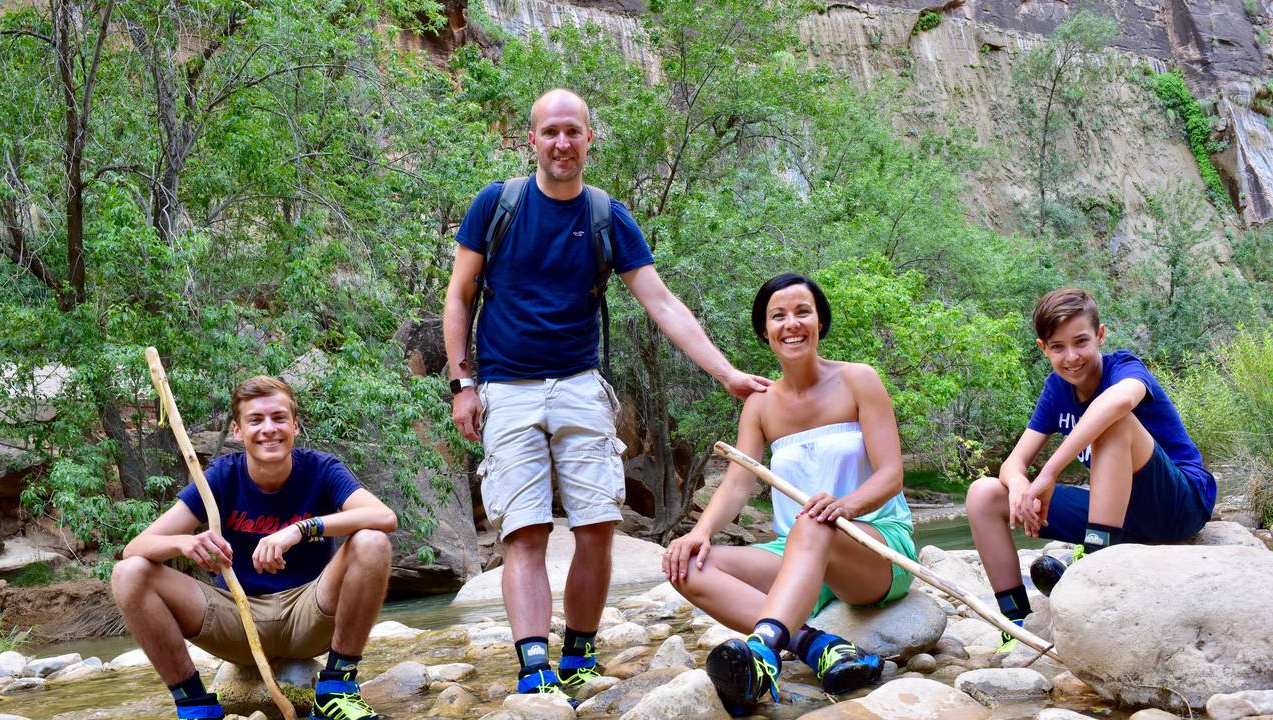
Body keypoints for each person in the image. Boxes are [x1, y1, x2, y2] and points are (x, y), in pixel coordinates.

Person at [442, 87, 769, 702]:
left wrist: (725, 372)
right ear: (531, 140)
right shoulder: (497, 205)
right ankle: (533, 661)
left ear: (591, 139)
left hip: (578, 386)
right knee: (526, 530)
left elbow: (662, 302)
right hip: (506, 389)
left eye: (573, 132)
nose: (562, 143)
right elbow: (460, 295)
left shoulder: (605, 215)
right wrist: (463, 383)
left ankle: (581, 653)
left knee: (597, 525)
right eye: (551, 132)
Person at [663, 273, 917, 716]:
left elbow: (891, 475)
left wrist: (847, 507)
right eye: (777, 316)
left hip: (873, 542)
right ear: (765, 331)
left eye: (803, 312)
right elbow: (740, 481)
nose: (791, 323)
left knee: (814, 522)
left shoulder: (859, 380)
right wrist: (699, 532)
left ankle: (763, 650)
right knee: (687, 566)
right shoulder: (759, 404)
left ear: (820, 321)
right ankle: (819, 646)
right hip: (798, 552)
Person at [110, 376, 397, 720]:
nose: (268, 429)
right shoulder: (221, 477)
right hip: (237, 618)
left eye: (278, 418)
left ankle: (336, 691)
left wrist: (299, 530)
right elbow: (136, 547)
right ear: (237, 430)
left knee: (372, 541)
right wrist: (185, 542)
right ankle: (195, 706)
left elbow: (383, 516)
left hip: (309, 613)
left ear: (295, 425)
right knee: (129, 573)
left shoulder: (321, 469)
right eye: (255, 420)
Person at [966, 287, 1216, 648]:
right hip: (1121, 516)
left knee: (1114, 420)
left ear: (1100, 336)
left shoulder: (1124, 367)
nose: (1071, 357)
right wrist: (1020, 485)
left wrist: (1049, 472)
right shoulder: (1057, 389)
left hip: (1178, 504)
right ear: (1044, 349)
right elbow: (1012, 463)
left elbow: (1119, 402)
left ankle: (1095, 581)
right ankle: (1017, 623)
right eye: (1058, 347)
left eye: (1081, 341)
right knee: (984, 494)